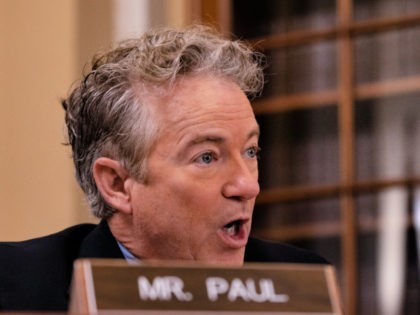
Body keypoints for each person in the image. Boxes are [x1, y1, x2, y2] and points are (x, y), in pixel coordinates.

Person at [0, 25, 327, 311]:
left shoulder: (298, 281)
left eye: (250, 151)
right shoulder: (17, 286)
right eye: (207, 157)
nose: (247, 186)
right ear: (116, 184)